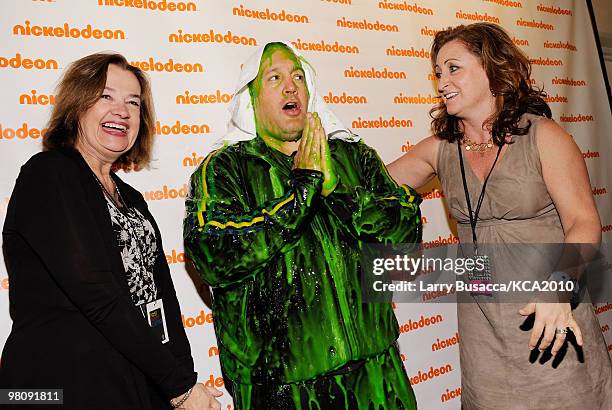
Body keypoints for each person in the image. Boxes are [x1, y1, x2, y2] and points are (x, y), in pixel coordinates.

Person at [183, 42, 422, 409]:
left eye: (298, 76)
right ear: (251, 100)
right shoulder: (225, 170)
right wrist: (302, 191)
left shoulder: (353, 157)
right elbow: (213, 255)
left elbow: (406, 235)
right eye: (274, 78)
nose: (290, 86)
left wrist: (337, 190)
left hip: (376, 378)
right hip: (284, 391)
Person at [388, 23, 612, 409]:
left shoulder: (544, 137)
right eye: (438, 73)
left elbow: (583, 221)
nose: (442, 82)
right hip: (483, 332)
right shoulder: (439, 149)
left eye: (453, 68)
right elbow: (369, 185)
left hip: (550, 318)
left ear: (492, 68)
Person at [0, 53, 222, 409]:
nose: (122, 110)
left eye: (133, 102)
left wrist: (185, 379)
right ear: (77, 106)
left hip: (131, 382)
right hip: (60, 387)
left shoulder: (129, 197)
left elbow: (160, 295)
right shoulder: (49, 175)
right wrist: (179, 386)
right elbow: (97, 294)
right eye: (106, 96)